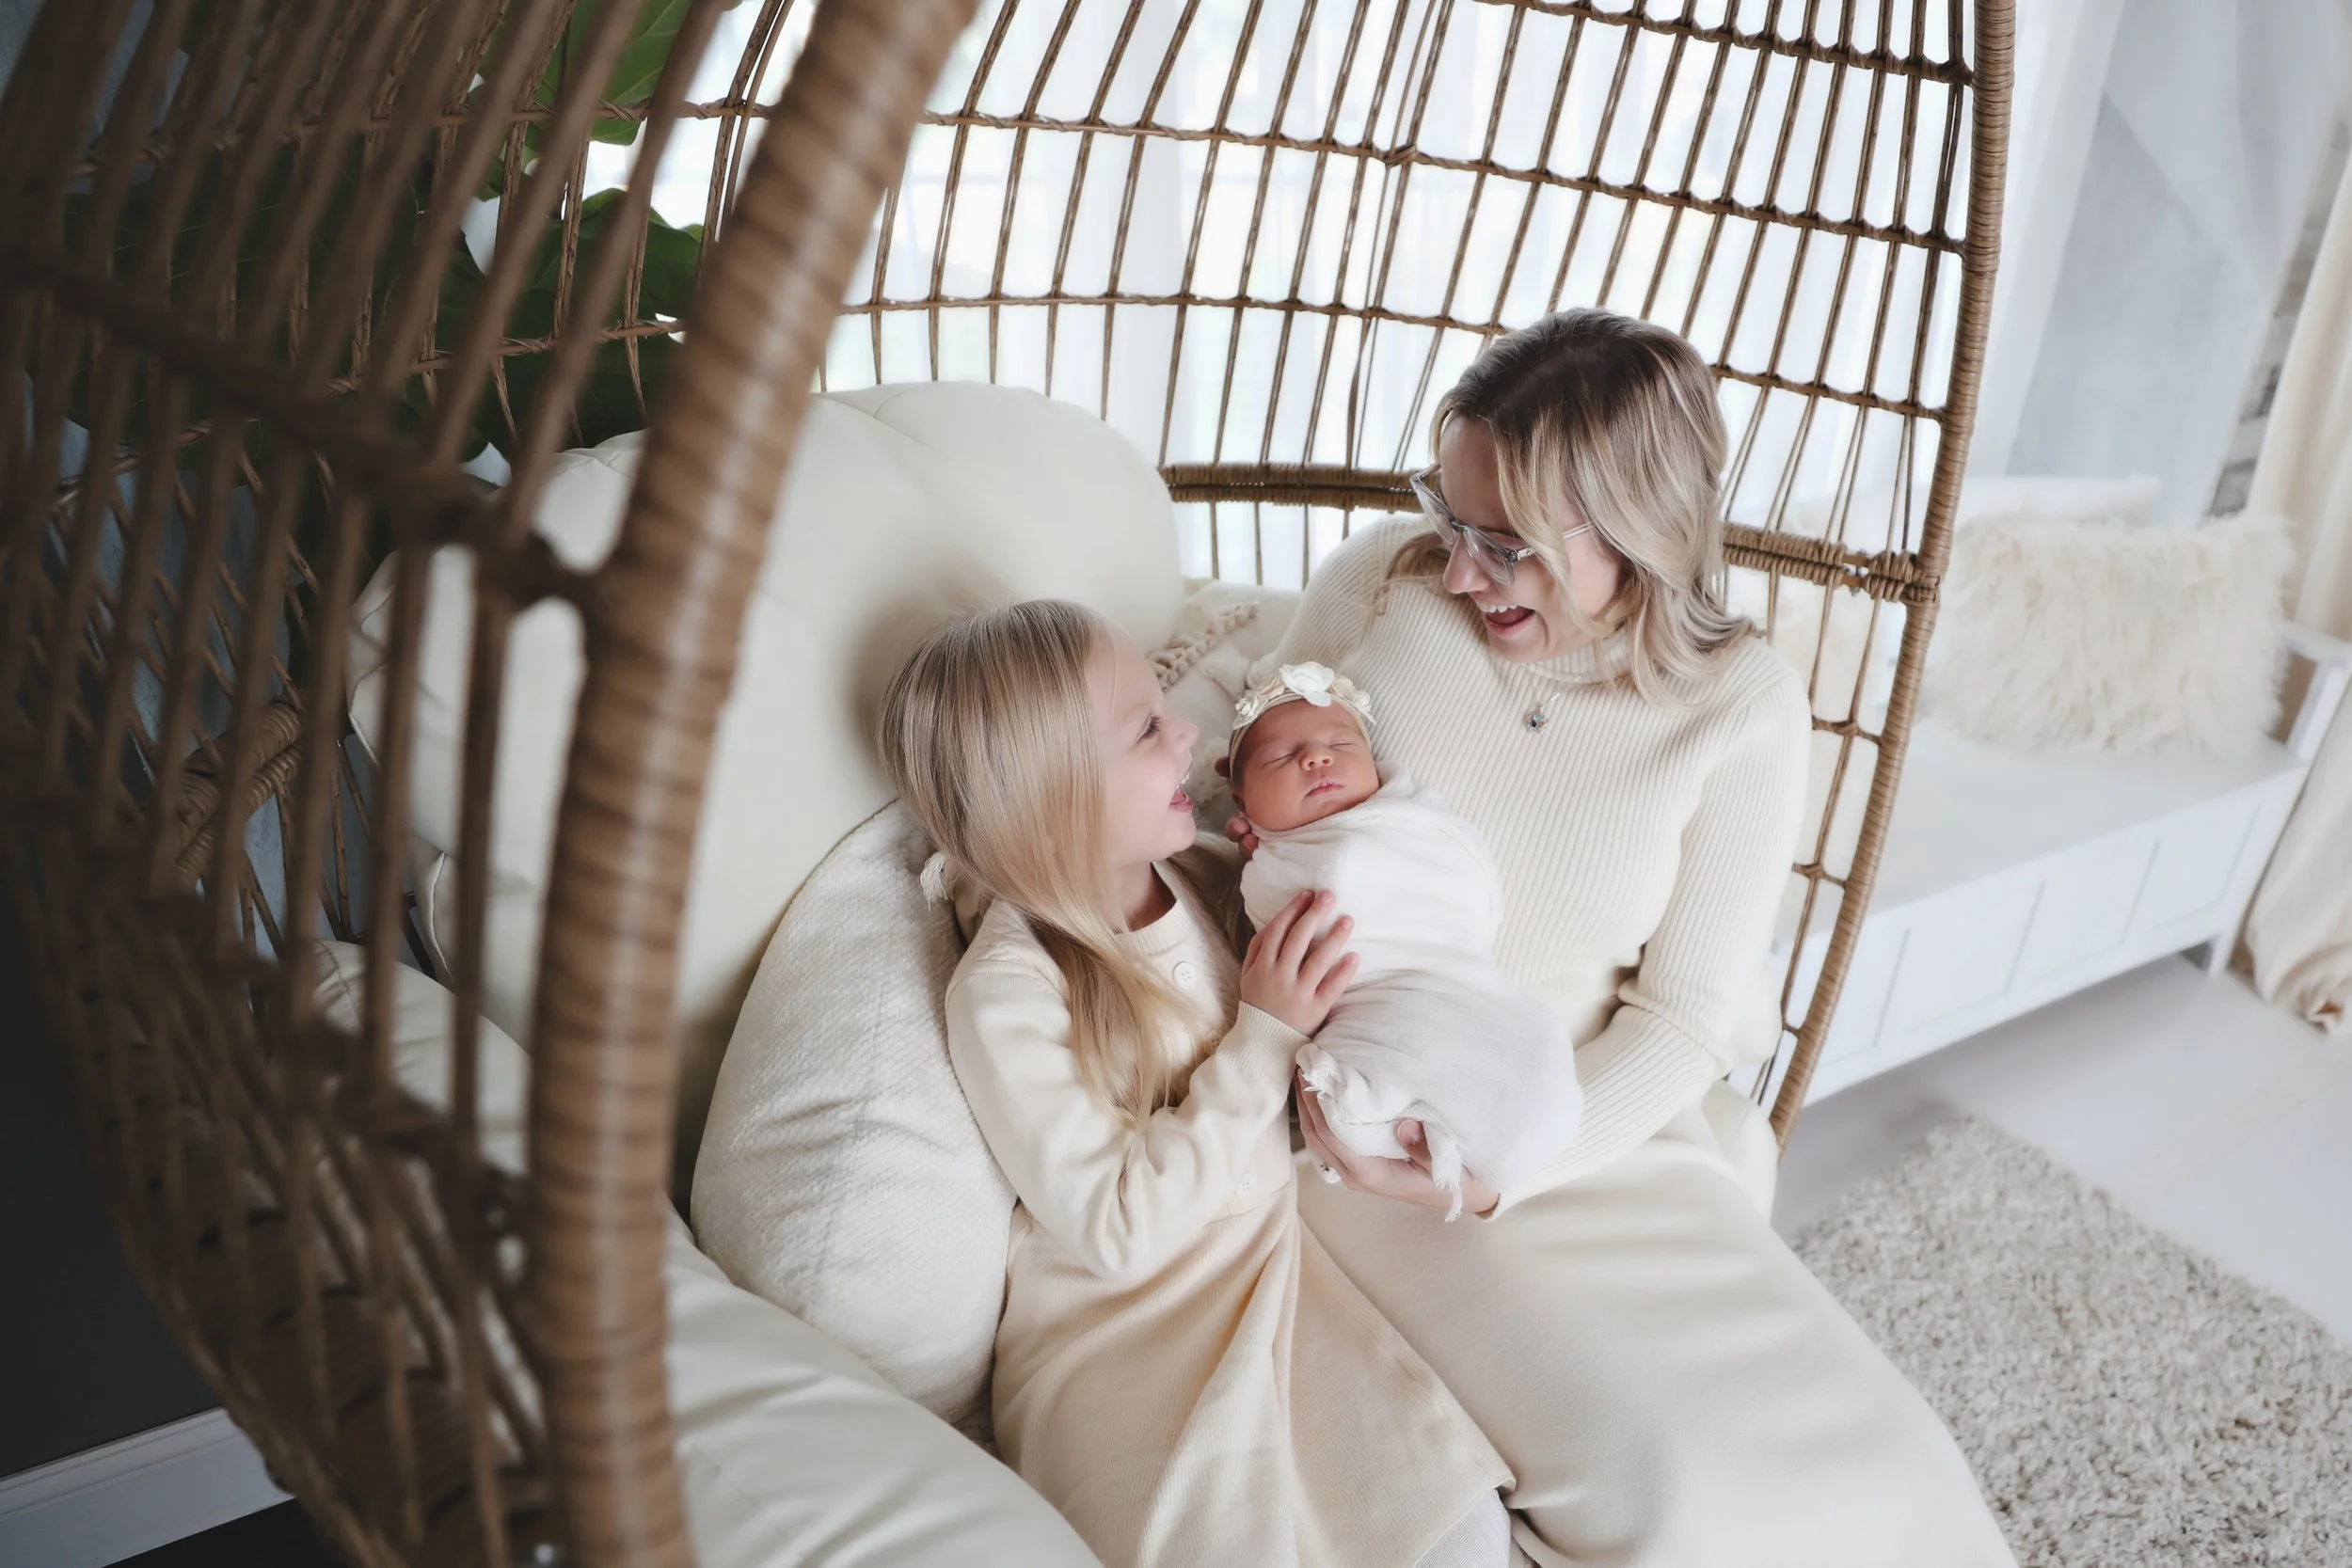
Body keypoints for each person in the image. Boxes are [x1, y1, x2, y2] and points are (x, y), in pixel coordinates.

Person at [1239, 309, 2017, 1567]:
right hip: (1374, 1123)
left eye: (1506, 546)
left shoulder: (1741, 706)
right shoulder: (1389, 583)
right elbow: (1230, 769)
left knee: (1898, 1472)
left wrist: (1499, 1172)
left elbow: (1680, 1020)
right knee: (1675, 1494)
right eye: (1449, 515)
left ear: (1639, 530)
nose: (1461, 572)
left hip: (1584, 1129)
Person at [877, 600, 1516, 1568]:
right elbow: (1118, 1228)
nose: (1187, 732)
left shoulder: (1209, 875)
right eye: (1146, 727)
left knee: (1455, 1530)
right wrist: (1263, 1034)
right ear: (1054, 792)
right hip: (1126, 1341)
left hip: (1271, 1282)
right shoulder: (1008, 989)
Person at [1225, 661, 1584, 1214]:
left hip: (1457, 977)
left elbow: (1466, 887)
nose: (1316, 757)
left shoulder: (1413, 822)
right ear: (1242, 802)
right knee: (1360, 1076)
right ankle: (1384, 1116)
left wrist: (1486, 1195)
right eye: (1279, 757)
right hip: (1373, 999)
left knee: (1538, 1046)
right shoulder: (1270, 865)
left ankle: (1507, 1135)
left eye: (1340, 744)